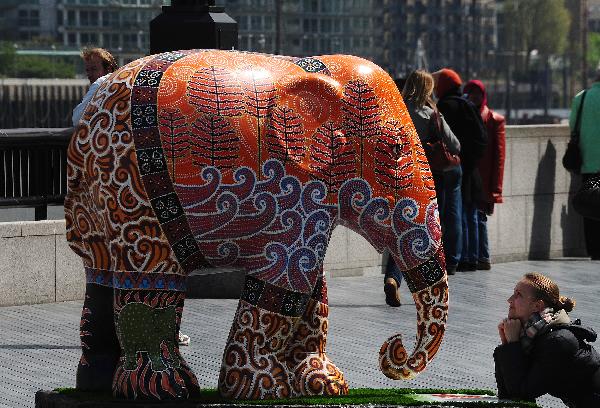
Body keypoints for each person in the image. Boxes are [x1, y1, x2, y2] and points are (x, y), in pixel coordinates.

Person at [382, 70, 460, 305]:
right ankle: (427, 284)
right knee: (426, 231)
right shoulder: (431, 114)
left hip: (399, 177)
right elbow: (455, 145)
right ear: (428, 89)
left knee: (401, 229)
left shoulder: (395, 110)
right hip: (426, 179)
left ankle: (393, 278)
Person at [494, 273, 600, 406]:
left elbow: (521, 393)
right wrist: (507, 344)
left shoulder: (557, 341)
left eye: (518, 295)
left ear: (537, 306)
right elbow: (509, 395)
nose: (509, 300)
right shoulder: (534, 335)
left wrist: (512, 345)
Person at [433, 68, 486, 274]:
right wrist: (470, 161)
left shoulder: (444, 107)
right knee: (465, 213)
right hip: (468, 167)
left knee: (450, 213)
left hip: (448, 166)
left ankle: (452, 257)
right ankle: (468, 257)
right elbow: (482, 139)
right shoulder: (468, 105)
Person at [463, 80, 506, 270]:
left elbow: (499, 158)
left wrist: (496, 191)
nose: (473, 97)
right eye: (469, 93)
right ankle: (477, 256)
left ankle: (483, 256)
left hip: (484, 181)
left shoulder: (495, 120)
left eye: (476, 94)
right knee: (473, 217)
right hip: (470, 178)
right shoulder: (466, 116)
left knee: (479, 218)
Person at [568, 68, 600, 260]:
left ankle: (594, 250)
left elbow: (573, 125)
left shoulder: (582, 97)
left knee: (590, 205)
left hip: (587, 163)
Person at [72, 48, 118, 126]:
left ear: (109, 69)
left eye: (94, 69)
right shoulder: (122, 82)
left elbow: (77, 119)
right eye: (87, 70)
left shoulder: (100, 83)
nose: (89, 74)